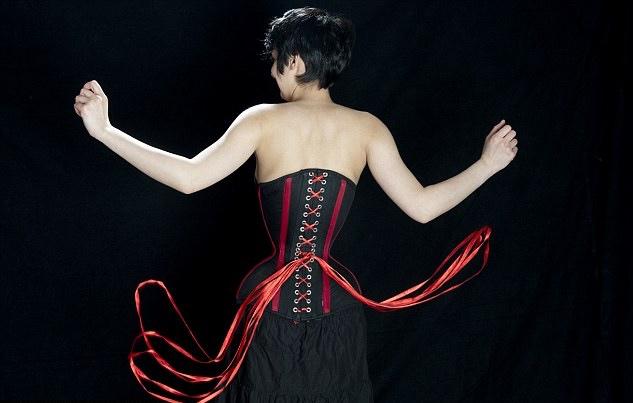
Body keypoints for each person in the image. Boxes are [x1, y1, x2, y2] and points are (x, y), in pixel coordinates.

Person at [73, 6, 517, 402]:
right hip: (338, 316)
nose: (272, 72)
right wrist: (486, 165)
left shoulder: (261, 120)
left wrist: (106, 132)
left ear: (298, 61)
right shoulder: (368, 129)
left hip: (267, 312)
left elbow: (189, 178)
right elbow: (422, 207)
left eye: (276, 60)